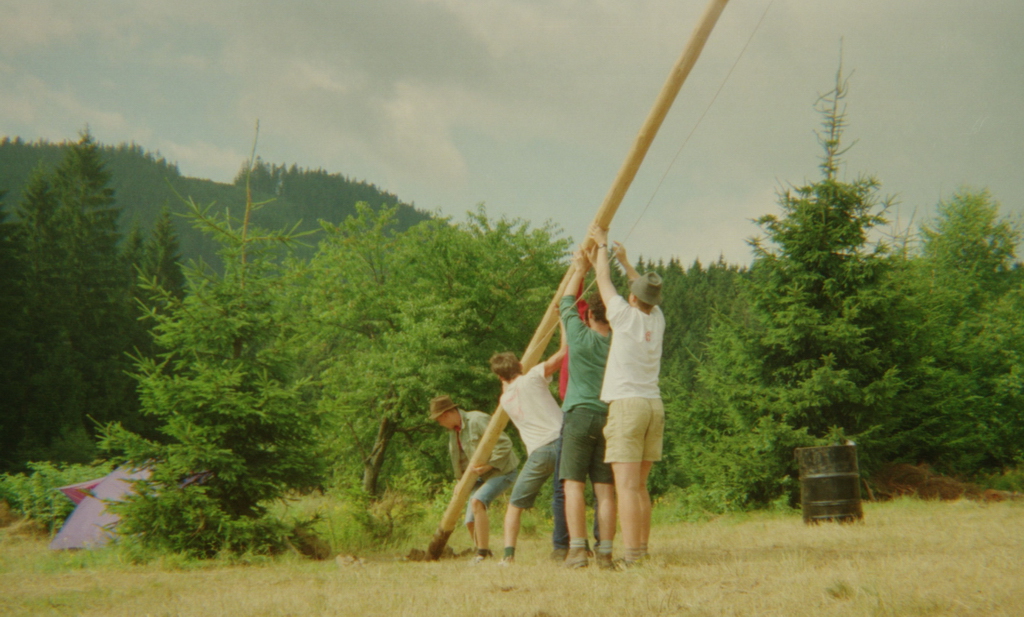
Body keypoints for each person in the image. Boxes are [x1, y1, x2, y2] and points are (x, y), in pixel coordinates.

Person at [588, 222, 665, 567]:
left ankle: (632, 557)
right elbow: (645, 294)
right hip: (653, 404)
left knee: (627, 487)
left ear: (632, 298)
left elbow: (602, 280)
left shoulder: (622, 315)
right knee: (640, 486)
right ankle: (641, 551)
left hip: (627, 405)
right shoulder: (657, 318)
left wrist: (602, 246)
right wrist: (626, 262)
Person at [559, 248, 617, 569]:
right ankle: (605, 553)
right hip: (609, 417)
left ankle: (578, 551)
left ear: (590, 315)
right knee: (605, 489)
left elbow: (566, 303)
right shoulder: (619, 343)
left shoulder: (579, 338)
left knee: (573, 485)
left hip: (579, 415)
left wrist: (580, 269)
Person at [489, 334, 567, 565]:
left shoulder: (504, 400)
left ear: (500, 377)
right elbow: (563, 354)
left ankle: (508, 556)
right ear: (520, 366)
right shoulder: (533, 376)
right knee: (568, 495)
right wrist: (564, 325)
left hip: (540, 452)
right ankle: (579, 547)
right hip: (564, 442)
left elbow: (509, 387)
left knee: (515, 504)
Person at [430, 395, 519, 564]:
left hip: (501, 470)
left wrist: (489, 465)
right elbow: (460, 459)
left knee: (477, 501)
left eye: (439, 420)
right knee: (470, 521)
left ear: (446, 414)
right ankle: (485, 554)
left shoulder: (477, 420)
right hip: (479, 476)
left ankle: (481, 554)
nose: (440, 424)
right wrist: (460, 481)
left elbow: (505, 444)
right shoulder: (454, 432)